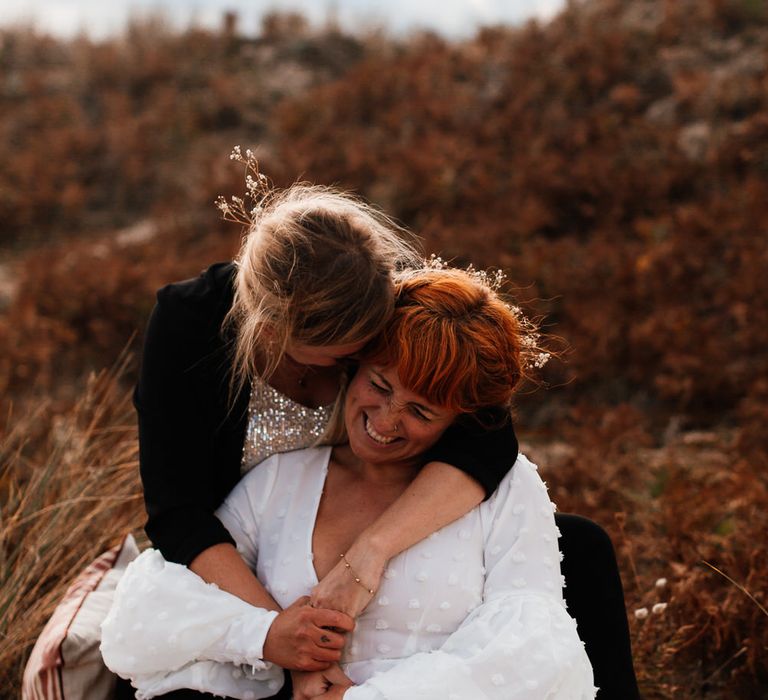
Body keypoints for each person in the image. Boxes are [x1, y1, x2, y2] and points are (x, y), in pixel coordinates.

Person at [102, 266, 597, 699]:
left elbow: (537, 650)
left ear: (463, 419)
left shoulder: (507, 492)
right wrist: (266, 635)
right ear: (353, 361)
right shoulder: (280, 480)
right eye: (379, 386)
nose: (386, 419)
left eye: (422, 411)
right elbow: (149, 610)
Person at [133, 178, 522, 683]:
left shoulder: (372, 292)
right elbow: (178, 514)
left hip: (383, 531)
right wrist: (277, 633)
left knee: (580, 551)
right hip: (237, 567)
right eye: (347, 356)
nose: (360, 361)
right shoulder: (188, 325)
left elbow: (488, 433)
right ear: (275, 332)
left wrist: (369, 555)